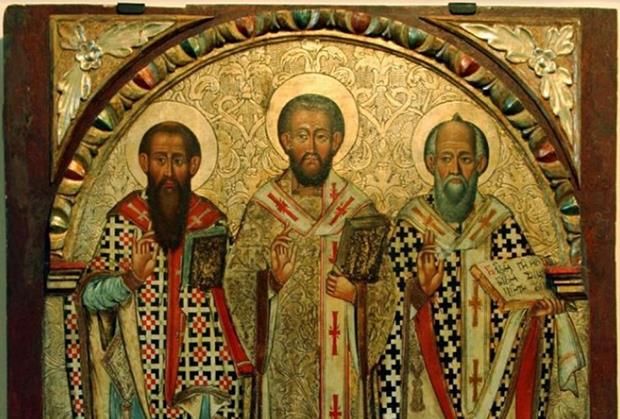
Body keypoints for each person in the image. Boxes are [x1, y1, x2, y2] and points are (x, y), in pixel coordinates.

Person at [377, 114, 565, 418]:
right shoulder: (411, 227)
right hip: (429, 389)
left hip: (496, 384)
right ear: (431, 163)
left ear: (480, 164)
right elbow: (384, 316)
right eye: (446, 158)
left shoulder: (500, 225)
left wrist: (540, 313)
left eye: (464, 159)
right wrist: (419, 291)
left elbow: (526, 297)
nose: (455, 169)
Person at [223, 94, 397, 418]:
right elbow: (237, 282)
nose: (312, 148)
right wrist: (271, 283)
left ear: (336, 141)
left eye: (321, 136)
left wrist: (357, 295)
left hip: (343, 364)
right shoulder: (264, 208)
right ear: (286, 141)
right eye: (302, 136)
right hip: (284, 367)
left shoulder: (358, 209)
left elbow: (386, 289)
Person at [75, 121, 251, 418]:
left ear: (193, 165)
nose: (169, 172)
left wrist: (271, 283)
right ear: (145, 163)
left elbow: (236, 297)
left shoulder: (211, 223)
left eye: (178, 161)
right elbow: (89, 296)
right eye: (160, 160)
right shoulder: (124, 222)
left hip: (201, 371)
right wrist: (131, 279)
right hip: (137, 372)